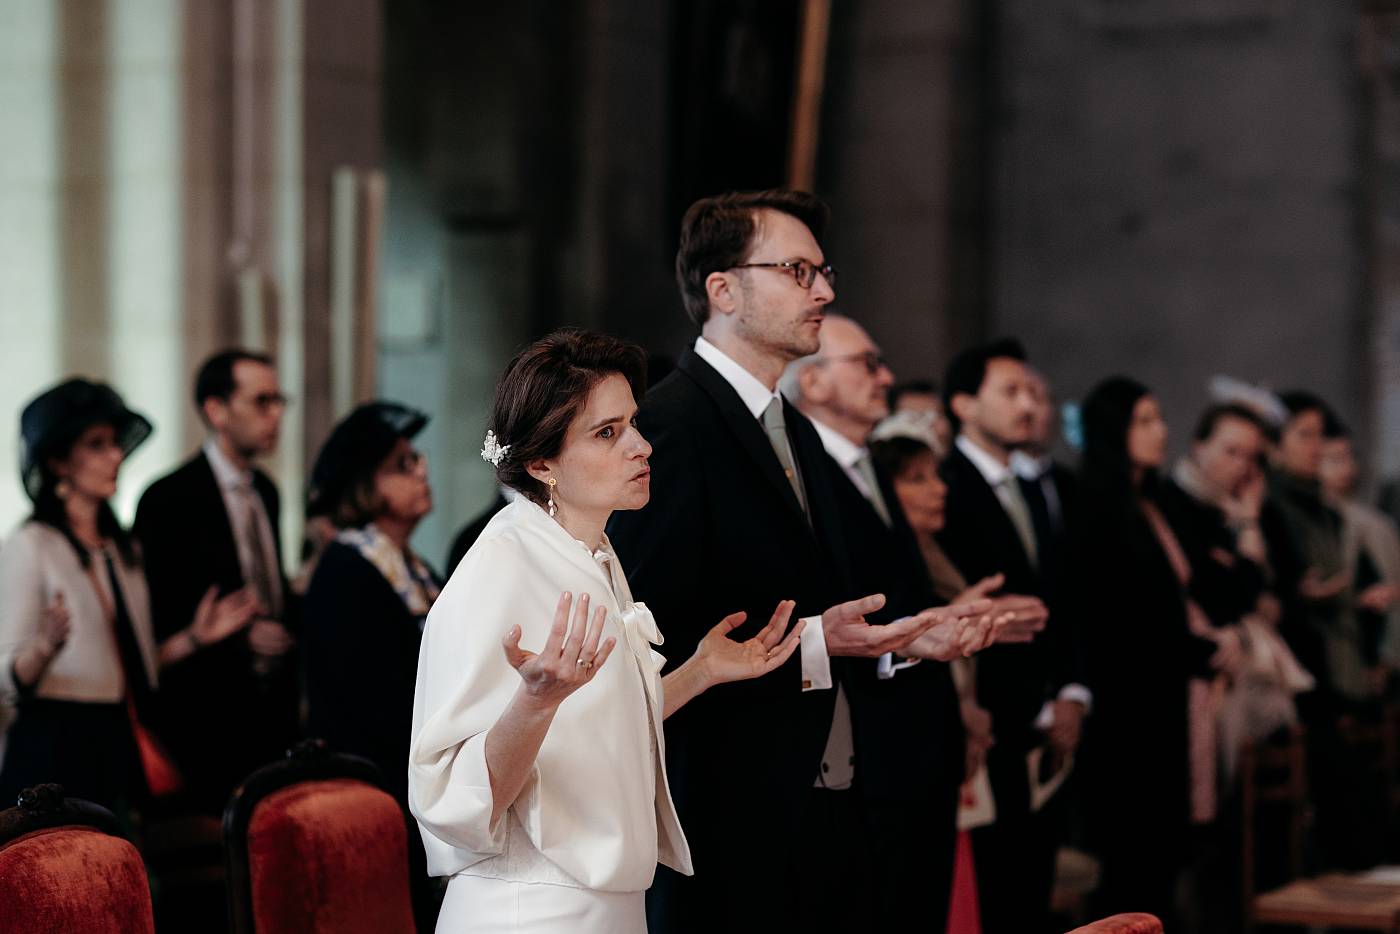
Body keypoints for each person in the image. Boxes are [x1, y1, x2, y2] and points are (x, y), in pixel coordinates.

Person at [605, 190, 986, 933]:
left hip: (831, 794)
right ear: (724, 290)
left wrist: (903, 641)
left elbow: (830, 612)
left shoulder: (799, 434)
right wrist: (815, 639)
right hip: (728, 805)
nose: (826, 292)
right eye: (799, 271)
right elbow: (647, 633)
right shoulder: (670, 427)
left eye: (823, 271)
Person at [409, 328, 808, 933]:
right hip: (532, 909)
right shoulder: (503, 563)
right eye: (608, 433)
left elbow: (594, 725)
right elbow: (450, 795)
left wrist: (700, 671)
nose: (642, 447)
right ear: (542, 464)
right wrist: (535, 698)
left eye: (633, 423)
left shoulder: (588, 553)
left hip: (604, 903)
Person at [781, 315, 1024, 932]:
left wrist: (941, 630)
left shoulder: (866, 468)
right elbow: (829, 609)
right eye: (866, 363)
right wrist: (915, 638)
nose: (885, 376)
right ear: (812, 384)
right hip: (869, 750)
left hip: (920, 743)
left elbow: (899, 596)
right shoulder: (805, 474)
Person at [0, 379, 256, 813]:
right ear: (60, 461)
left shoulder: (123, 550)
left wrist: (194, 637)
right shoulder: (31, 544)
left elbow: (134, 665)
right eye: (97, 445)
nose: (115, 455)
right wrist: (44, 646)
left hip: (116, 736)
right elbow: (6, 676)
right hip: (55, 741)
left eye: (115, 443)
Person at [1072, 377, 1238, 926]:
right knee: (1132, 868)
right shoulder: (1094, 502)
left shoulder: (1159, 501)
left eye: (1159, 418)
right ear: (1114, 429)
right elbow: (1115, 616)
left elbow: (1216, 585)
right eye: (1144, 421)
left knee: (1167, 861)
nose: (1160, 431)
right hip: (1127, 711)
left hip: (1172, 699)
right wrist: (1195, 649)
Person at [937, 338, 1089, 932]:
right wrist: (1036, 703)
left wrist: (1073, 693)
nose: (1028, 404)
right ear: (964, 406)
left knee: (1032, 893)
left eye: (1031, 392)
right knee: (995, 900)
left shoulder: (1036, 486)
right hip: (990, 722)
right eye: (1010, 391)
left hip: (1049, 725)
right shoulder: (944, 489)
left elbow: (1069, 601)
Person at [133, 350, 298, 812]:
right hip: (204, 720)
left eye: (279, 400)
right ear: (216, 410)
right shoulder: (168, 499)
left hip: (271, 712)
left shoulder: (265, 489)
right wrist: (242, 636)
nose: (276, 414)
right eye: (261, 401)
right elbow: (157, 621)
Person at [302, 401, 443, 927]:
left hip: (409, 774)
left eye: (417, 458)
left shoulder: (414, 566)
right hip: (371, 784)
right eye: (402, 465)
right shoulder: (346, 568)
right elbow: (365, 696)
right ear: (365, 485)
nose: (421, 470)